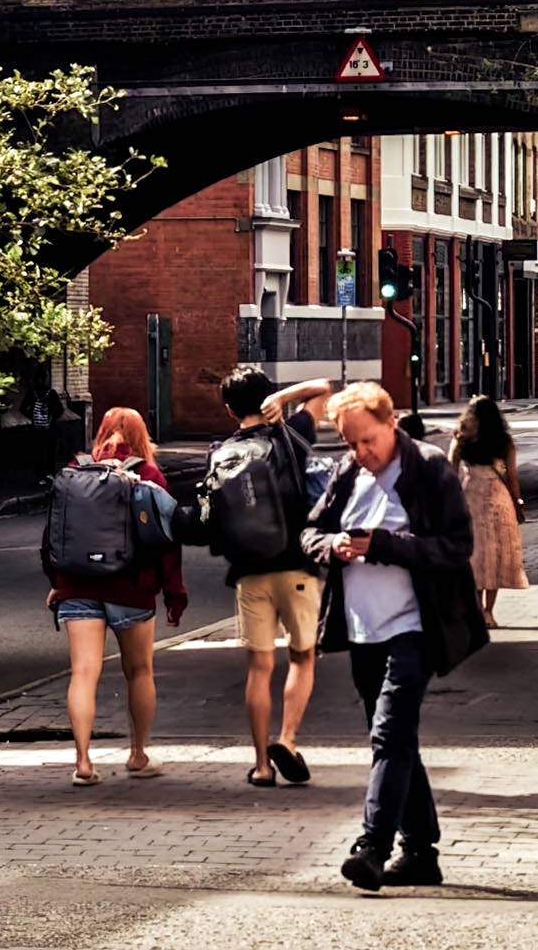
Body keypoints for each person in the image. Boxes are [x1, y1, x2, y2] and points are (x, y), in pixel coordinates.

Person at [307, 385, 481, 893]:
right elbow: (310, 532)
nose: (361, 452)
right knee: (395, 738)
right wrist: (332, 545)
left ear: (392, 423)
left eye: (368, 440)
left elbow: (456, 546)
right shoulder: (348, 473)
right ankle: (421, 853)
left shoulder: (428, 468)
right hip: (363, 629)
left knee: (389, 733)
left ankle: (372, 847)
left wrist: (383, 545)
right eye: (351, 443)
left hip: (416, 626)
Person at [208, 366, 338, 789]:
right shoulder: (291, 431)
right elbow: (324, 388)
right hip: (298, 566)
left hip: (249, 573)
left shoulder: (224, 451)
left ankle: (262, 765)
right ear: (269, 397)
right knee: (302, 656)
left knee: (259, 667)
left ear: (229, 410)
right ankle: (288, 739)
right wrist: (284, 399)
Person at [46, 408, 184, 787]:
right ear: (142, 437)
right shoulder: (149, 476)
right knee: (139, 671)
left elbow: (54, 534)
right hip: (131, 589)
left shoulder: (75, 470)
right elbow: (167, 541)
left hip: (77, 586)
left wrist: (58, 582)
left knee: (83, 673)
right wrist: (173, 592)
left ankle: (83, 761)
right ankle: (138, 754)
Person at [454, 394, 528, 623]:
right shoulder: (504, 440)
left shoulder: (462, 438)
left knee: (476, 554)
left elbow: (450, 472)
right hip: (498, 498)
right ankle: (489, 612)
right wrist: (518, 502)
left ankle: (477, 610)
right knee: (494, 555)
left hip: (471, 497)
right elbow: (512, 477)